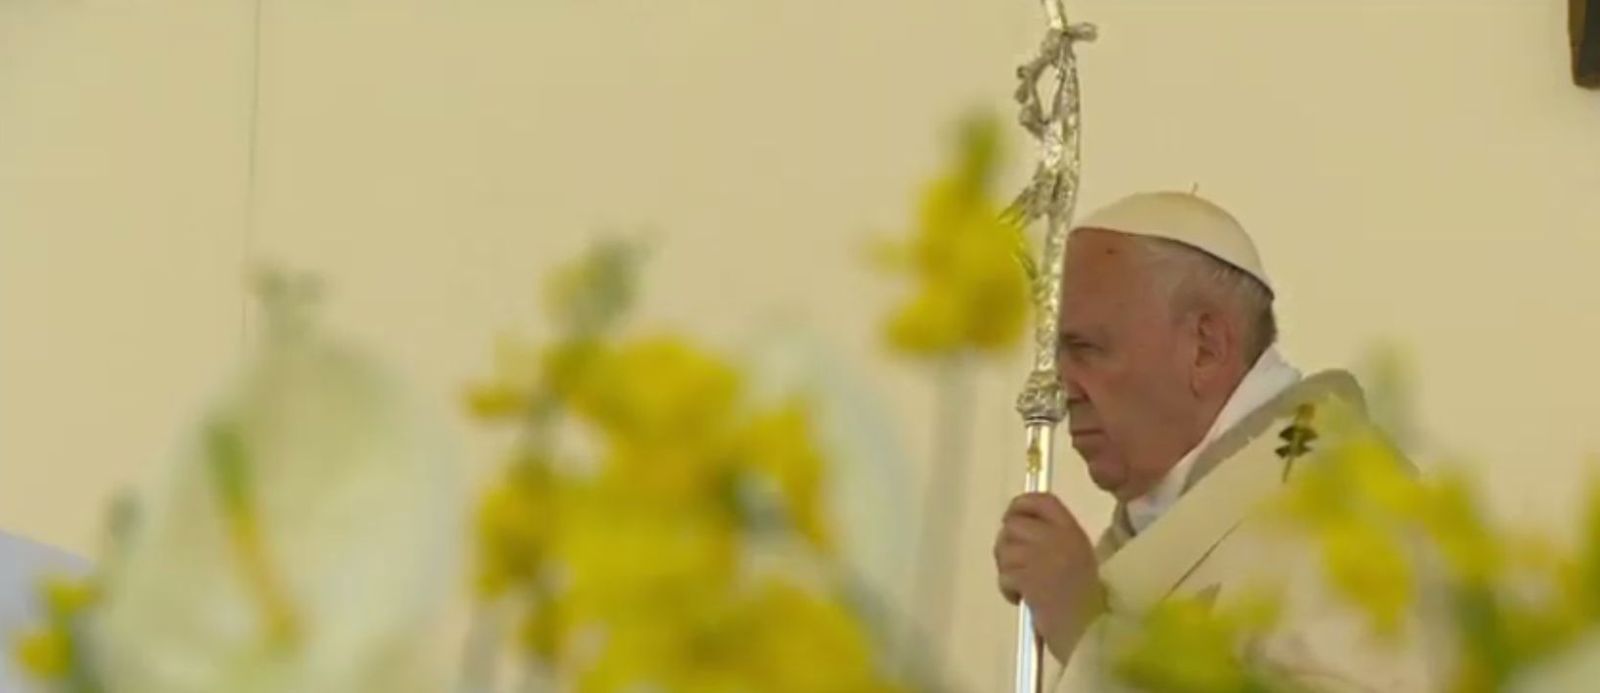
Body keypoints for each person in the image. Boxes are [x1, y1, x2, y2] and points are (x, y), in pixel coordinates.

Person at [992, 192, 1431, 691]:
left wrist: (1089, 633)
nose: (1056, 388)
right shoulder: (1149, 534)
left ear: (1205, 347)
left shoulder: (1350, 512)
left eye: (1086, 349)